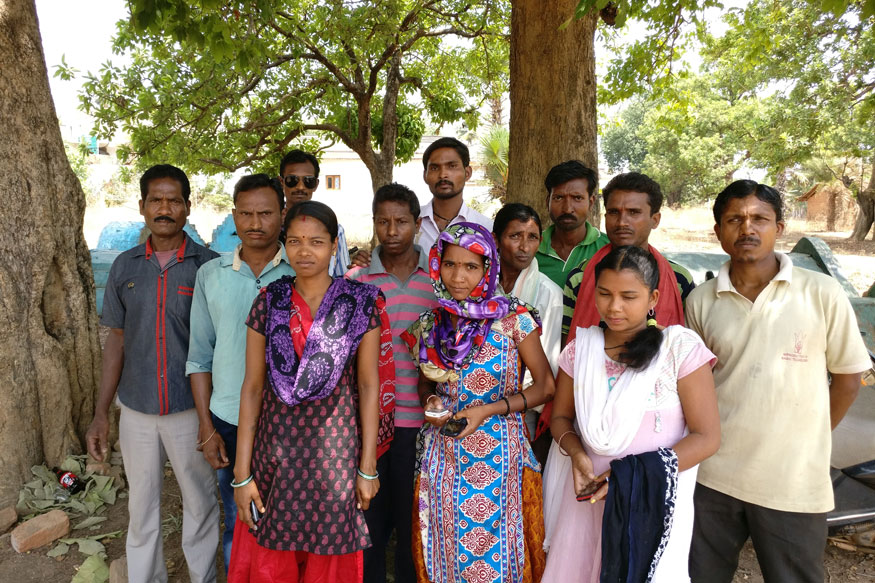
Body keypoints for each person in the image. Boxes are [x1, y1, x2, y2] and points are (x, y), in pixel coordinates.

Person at [685, 180, 871, 583]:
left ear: (779, 228)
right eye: (734, 219)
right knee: (700, 575)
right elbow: (695, 388)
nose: (747, 228)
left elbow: (847, 380)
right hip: (714, 476)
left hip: (792, 480)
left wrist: (808, 438)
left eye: (760, 219)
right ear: (718, 231)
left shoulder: (820, 293)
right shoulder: (700, 301)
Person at [229, 200, 394, 582]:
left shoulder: (360, 303)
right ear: (284, 244)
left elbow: (369, 385)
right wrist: (242, 473)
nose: (304, 251)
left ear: (335, 245)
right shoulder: (269, 302)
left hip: (335, 460)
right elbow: (252, 388)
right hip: (275, 458)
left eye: (316, 241)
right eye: (295, 241)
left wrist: (367, 466)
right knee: (273, 563)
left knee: (329, 565)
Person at [542, 245, 720, 583]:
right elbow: (561, 418)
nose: (614, 306)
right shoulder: (580, 351)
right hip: (587, 497)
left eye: (628, 296)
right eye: (604, 294)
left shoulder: (679, 349)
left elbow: (707, 437)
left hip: (649, 501)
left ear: (653, 298)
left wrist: (629, 478)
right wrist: (577, 455)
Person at [85, 164, 220, 583]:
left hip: (190, 410)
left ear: (188, 207)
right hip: (137, 410)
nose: (165, 208)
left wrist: (212, 418)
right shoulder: (125, 267)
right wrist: (102, 412)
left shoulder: (209, 267)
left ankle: (203, 577)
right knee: (141, 507)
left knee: (199, 502)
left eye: (173, 200)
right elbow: (116, 341)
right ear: (142, 205)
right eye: (156, 200)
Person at [402, 222, 555, 583]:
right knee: (445, 553)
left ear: (488, 268)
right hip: (443, 458)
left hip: (500, 460)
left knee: (501, 559)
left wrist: (487, 410)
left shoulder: (514, 319)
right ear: (437, 266)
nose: (459, 277)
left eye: (471, 266)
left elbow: (546, 387)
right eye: (450, 265)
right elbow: (424, 383)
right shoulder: (432, 323)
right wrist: (431, 401)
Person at [186, 174, 294, 573]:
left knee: (290, 522)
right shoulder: (211, 275)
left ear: (282, 214)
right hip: (229, 419)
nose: (255, 223)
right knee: (239, 520)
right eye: (246, 214)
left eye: (265, 213)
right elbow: (199, 358)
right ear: (234, 216)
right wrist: (206, 427)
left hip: (290, 421)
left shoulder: (302, 272)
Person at [345, 183, 438, 583]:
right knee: (369, 522)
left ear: (417, 224)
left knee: (412, 521)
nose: (392, 230)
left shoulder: (438, 278)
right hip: (370, 422)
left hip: (421, 425)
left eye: (401, 221)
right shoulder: (356, 280)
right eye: (383, 222)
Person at [563, 171, 695, 341]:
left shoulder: (679, 279)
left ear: (655, 220)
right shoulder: (580, 277)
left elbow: (690, 342)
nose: (622, 222)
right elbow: (567, 344)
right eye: (613, 212)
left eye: (633, 212)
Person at [492, 203, 562, 440]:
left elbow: (548, 361)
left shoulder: (548, 293)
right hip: (476, 397)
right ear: (496, 239)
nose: (524, 247)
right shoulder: (480, 286)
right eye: (515, 236)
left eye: (532, 237)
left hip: (524, 407)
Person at [534, 160, 609, 289]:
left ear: (591, 203)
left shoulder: (608, 249)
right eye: (559, 198)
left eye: (577, 198)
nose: (567, 209)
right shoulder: (530, 248)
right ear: (548, 202)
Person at [278, 149, 351, 277]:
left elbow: (342, 275)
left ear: (316, 184)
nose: (300, 187)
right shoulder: (269, 225)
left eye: (308, 181)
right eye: (292, 180)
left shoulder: (334, 228)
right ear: (281, 182)